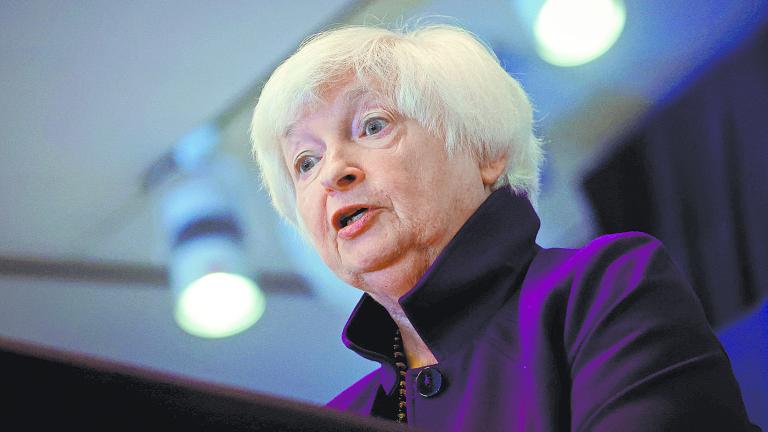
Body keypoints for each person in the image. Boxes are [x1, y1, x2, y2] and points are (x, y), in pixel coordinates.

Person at [250, 24, 759, 431]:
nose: (335, 171)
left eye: (374, 125)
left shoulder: (605, 287)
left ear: (484, 151)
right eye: (305, 162)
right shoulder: (328, 418)